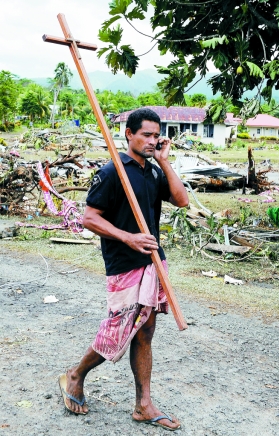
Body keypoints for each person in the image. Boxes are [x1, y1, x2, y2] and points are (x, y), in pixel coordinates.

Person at [58, 108, 189, 431]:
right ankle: (75, 374)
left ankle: (143, 405)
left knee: (145, 332)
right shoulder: (113, 171)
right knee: (116, 333)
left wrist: (164, 160)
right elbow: (89, 218)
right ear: (128, 134)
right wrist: (127, 237)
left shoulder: (153, 172)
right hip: (123, 263)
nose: (152, 140)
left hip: (153, 261)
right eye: (146, 135)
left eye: (156, 135)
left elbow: (182, 201)